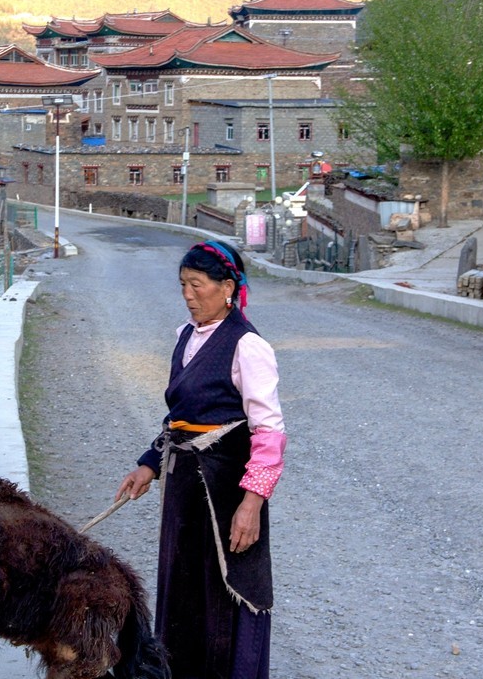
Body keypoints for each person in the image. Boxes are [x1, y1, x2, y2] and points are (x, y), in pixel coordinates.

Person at [116, 239, 286, 679]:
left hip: (228, 495)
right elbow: (180, 418)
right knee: (183, 588)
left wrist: (252, 504)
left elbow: (269, 433)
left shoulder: (248, 347)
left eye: (197, 285)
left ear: (227, 287)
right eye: (182, 285)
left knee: (224, 591)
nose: (188, 295)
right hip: (183, 488)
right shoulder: (185, 336)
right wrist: (149, 464)